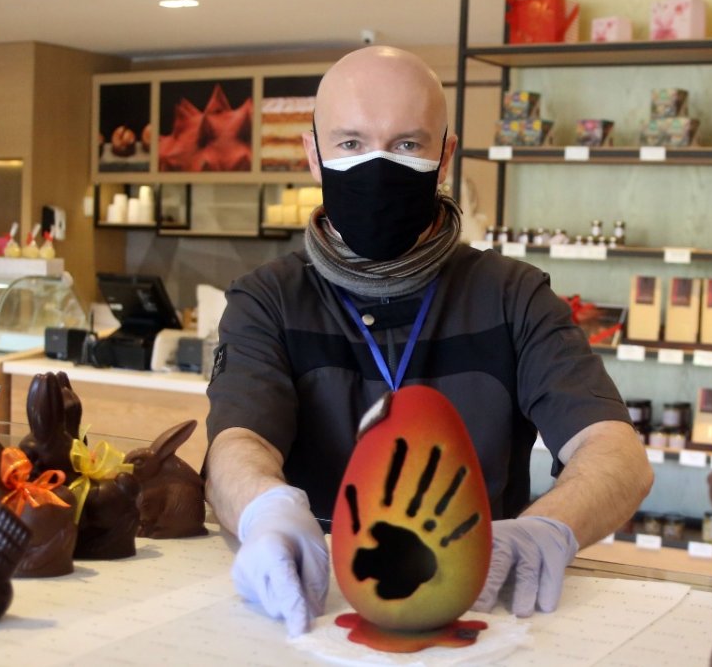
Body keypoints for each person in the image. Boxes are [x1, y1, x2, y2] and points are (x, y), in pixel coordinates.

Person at [205, 46, 653, 636]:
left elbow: (616, 453)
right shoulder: (268, 300)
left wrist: (547, 526)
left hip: (480, 608)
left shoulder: (511, 295)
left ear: (444, 155)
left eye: (407, 144)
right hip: (310, 605)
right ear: (314, 155)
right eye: (351, 144)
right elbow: (238, 443)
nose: (377, 165)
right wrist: (265, 509)